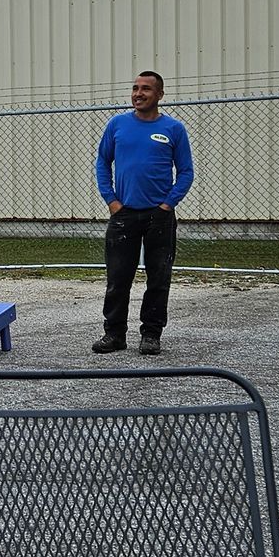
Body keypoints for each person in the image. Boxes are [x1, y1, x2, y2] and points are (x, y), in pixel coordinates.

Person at [92, 70, 194, 355]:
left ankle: (151, 334)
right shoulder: (117, 125)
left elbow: (185, 172)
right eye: (135, 88)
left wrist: (167, 204)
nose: (138, 93)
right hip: (123, 215)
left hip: (159, 217)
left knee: (158, 278)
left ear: (159, 95)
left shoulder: (173, 129)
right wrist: (111, 200)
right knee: (118, 279)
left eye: (146, 89)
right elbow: (102, 163)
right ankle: (114, 335)